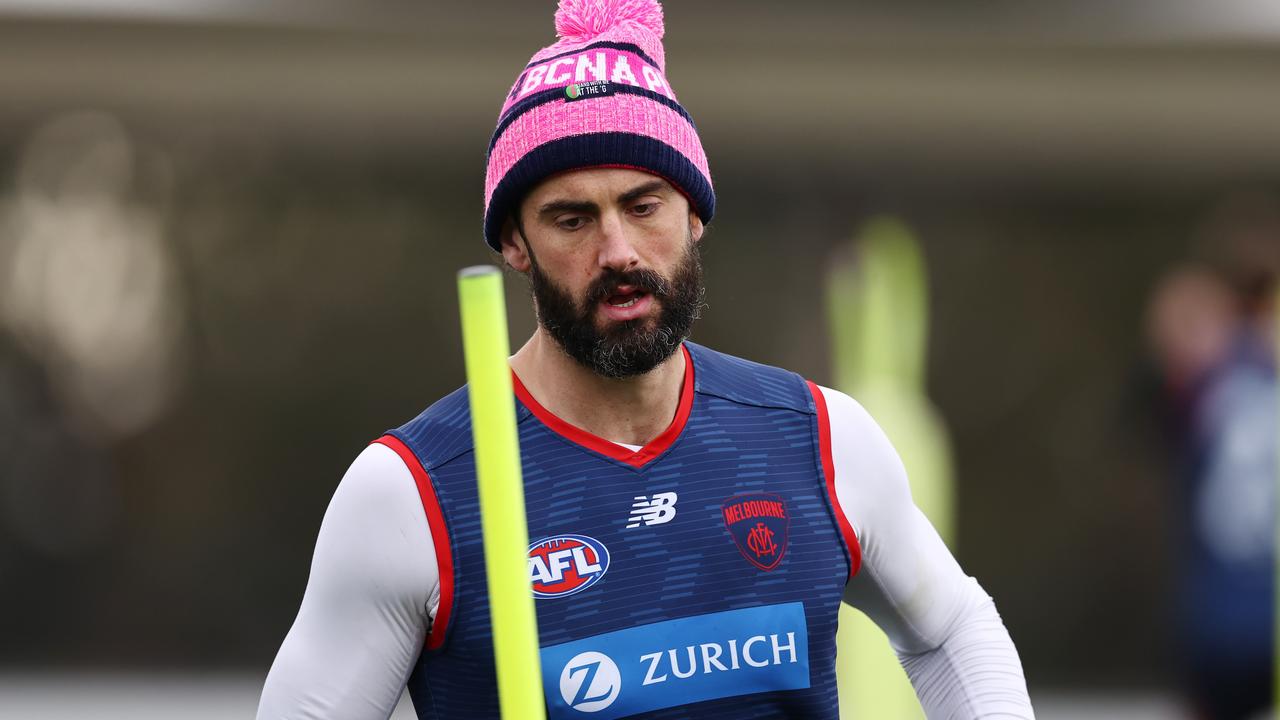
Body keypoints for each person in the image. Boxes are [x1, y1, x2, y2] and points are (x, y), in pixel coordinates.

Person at [256, 1, 1035, 718]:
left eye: (643, 205)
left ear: (694, 213)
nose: (618, 251)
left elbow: (950, 632)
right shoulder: (410, 493)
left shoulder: (821, 439)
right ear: (515, 246)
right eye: (571, 218)